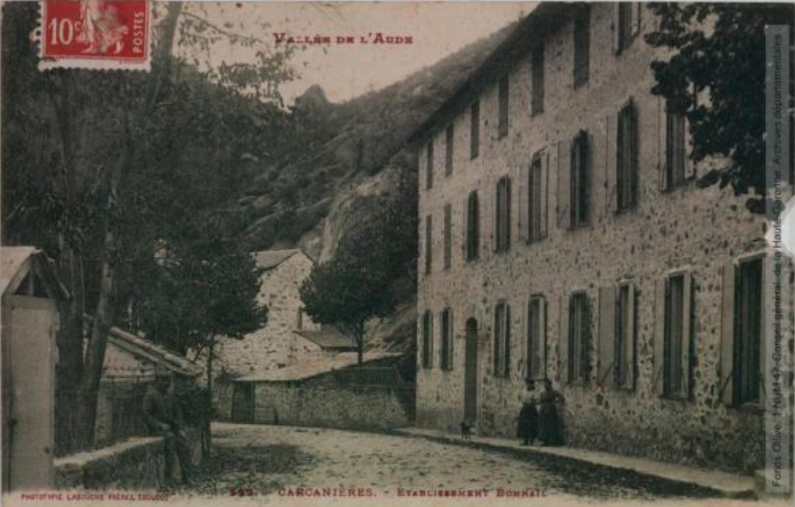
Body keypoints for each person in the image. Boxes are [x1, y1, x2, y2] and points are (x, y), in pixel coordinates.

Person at [142, 367, 193, 486]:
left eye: (168, 381)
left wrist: (180, 428)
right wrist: (159, 425)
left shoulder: (170, 395)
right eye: (164, 380)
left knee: (183, 446)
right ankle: (168, 479)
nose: (166, 384)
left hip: (172, 428)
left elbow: (178, 411)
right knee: (170, 444)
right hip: (156, 430)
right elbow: (145, 414)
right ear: (157, 380)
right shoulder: (151, 395)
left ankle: (187, 477)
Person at [536, 378, 564, 446]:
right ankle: (544, 440)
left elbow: (561, 398)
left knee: (551, 425)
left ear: (550, 384)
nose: (545, 385)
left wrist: (557, 403)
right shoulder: (543, 393)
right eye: (545, 384)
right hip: (543, 411)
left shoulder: (553, 392)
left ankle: (552, 440)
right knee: (543, 425)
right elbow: (540, 401)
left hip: (551, 411)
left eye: (547, 384)